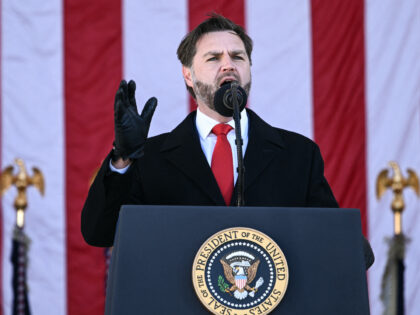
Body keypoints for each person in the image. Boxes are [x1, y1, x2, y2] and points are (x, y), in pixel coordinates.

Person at [81, 14, 374, 268]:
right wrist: (123, 158)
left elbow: (337, 243)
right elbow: (99, 232)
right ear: (188, 75)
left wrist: (349, 245)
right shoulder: (150, 159)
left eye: (237, 57)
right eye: (213, 58)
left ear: (248, 68)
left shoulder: (298, 155)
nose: (228, 65)